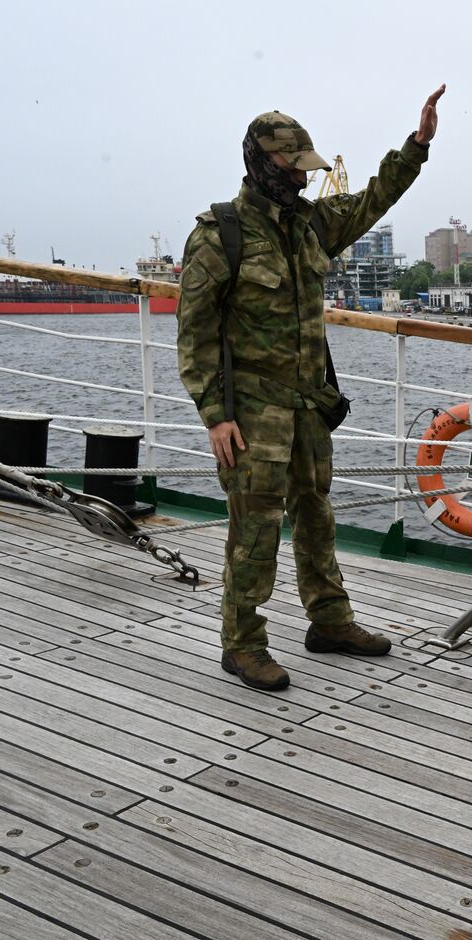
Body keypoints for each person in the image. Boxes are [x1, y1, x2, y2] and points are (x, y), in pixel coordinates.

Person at [177, 87, 446, 691]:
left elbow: (373, 199)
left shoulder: (310, 225)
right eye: (291, 168)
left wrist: (418, 145)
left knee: (316, 515)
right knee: (256, 527)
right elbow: (193, 334)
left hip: (307, 407)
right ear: (260, 163)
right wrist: (215, 415)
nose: (302, 181)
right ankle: (242, 643)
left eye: (305, 170)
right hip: (252, 413)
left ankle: (330, 622)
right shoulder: (219, 235)